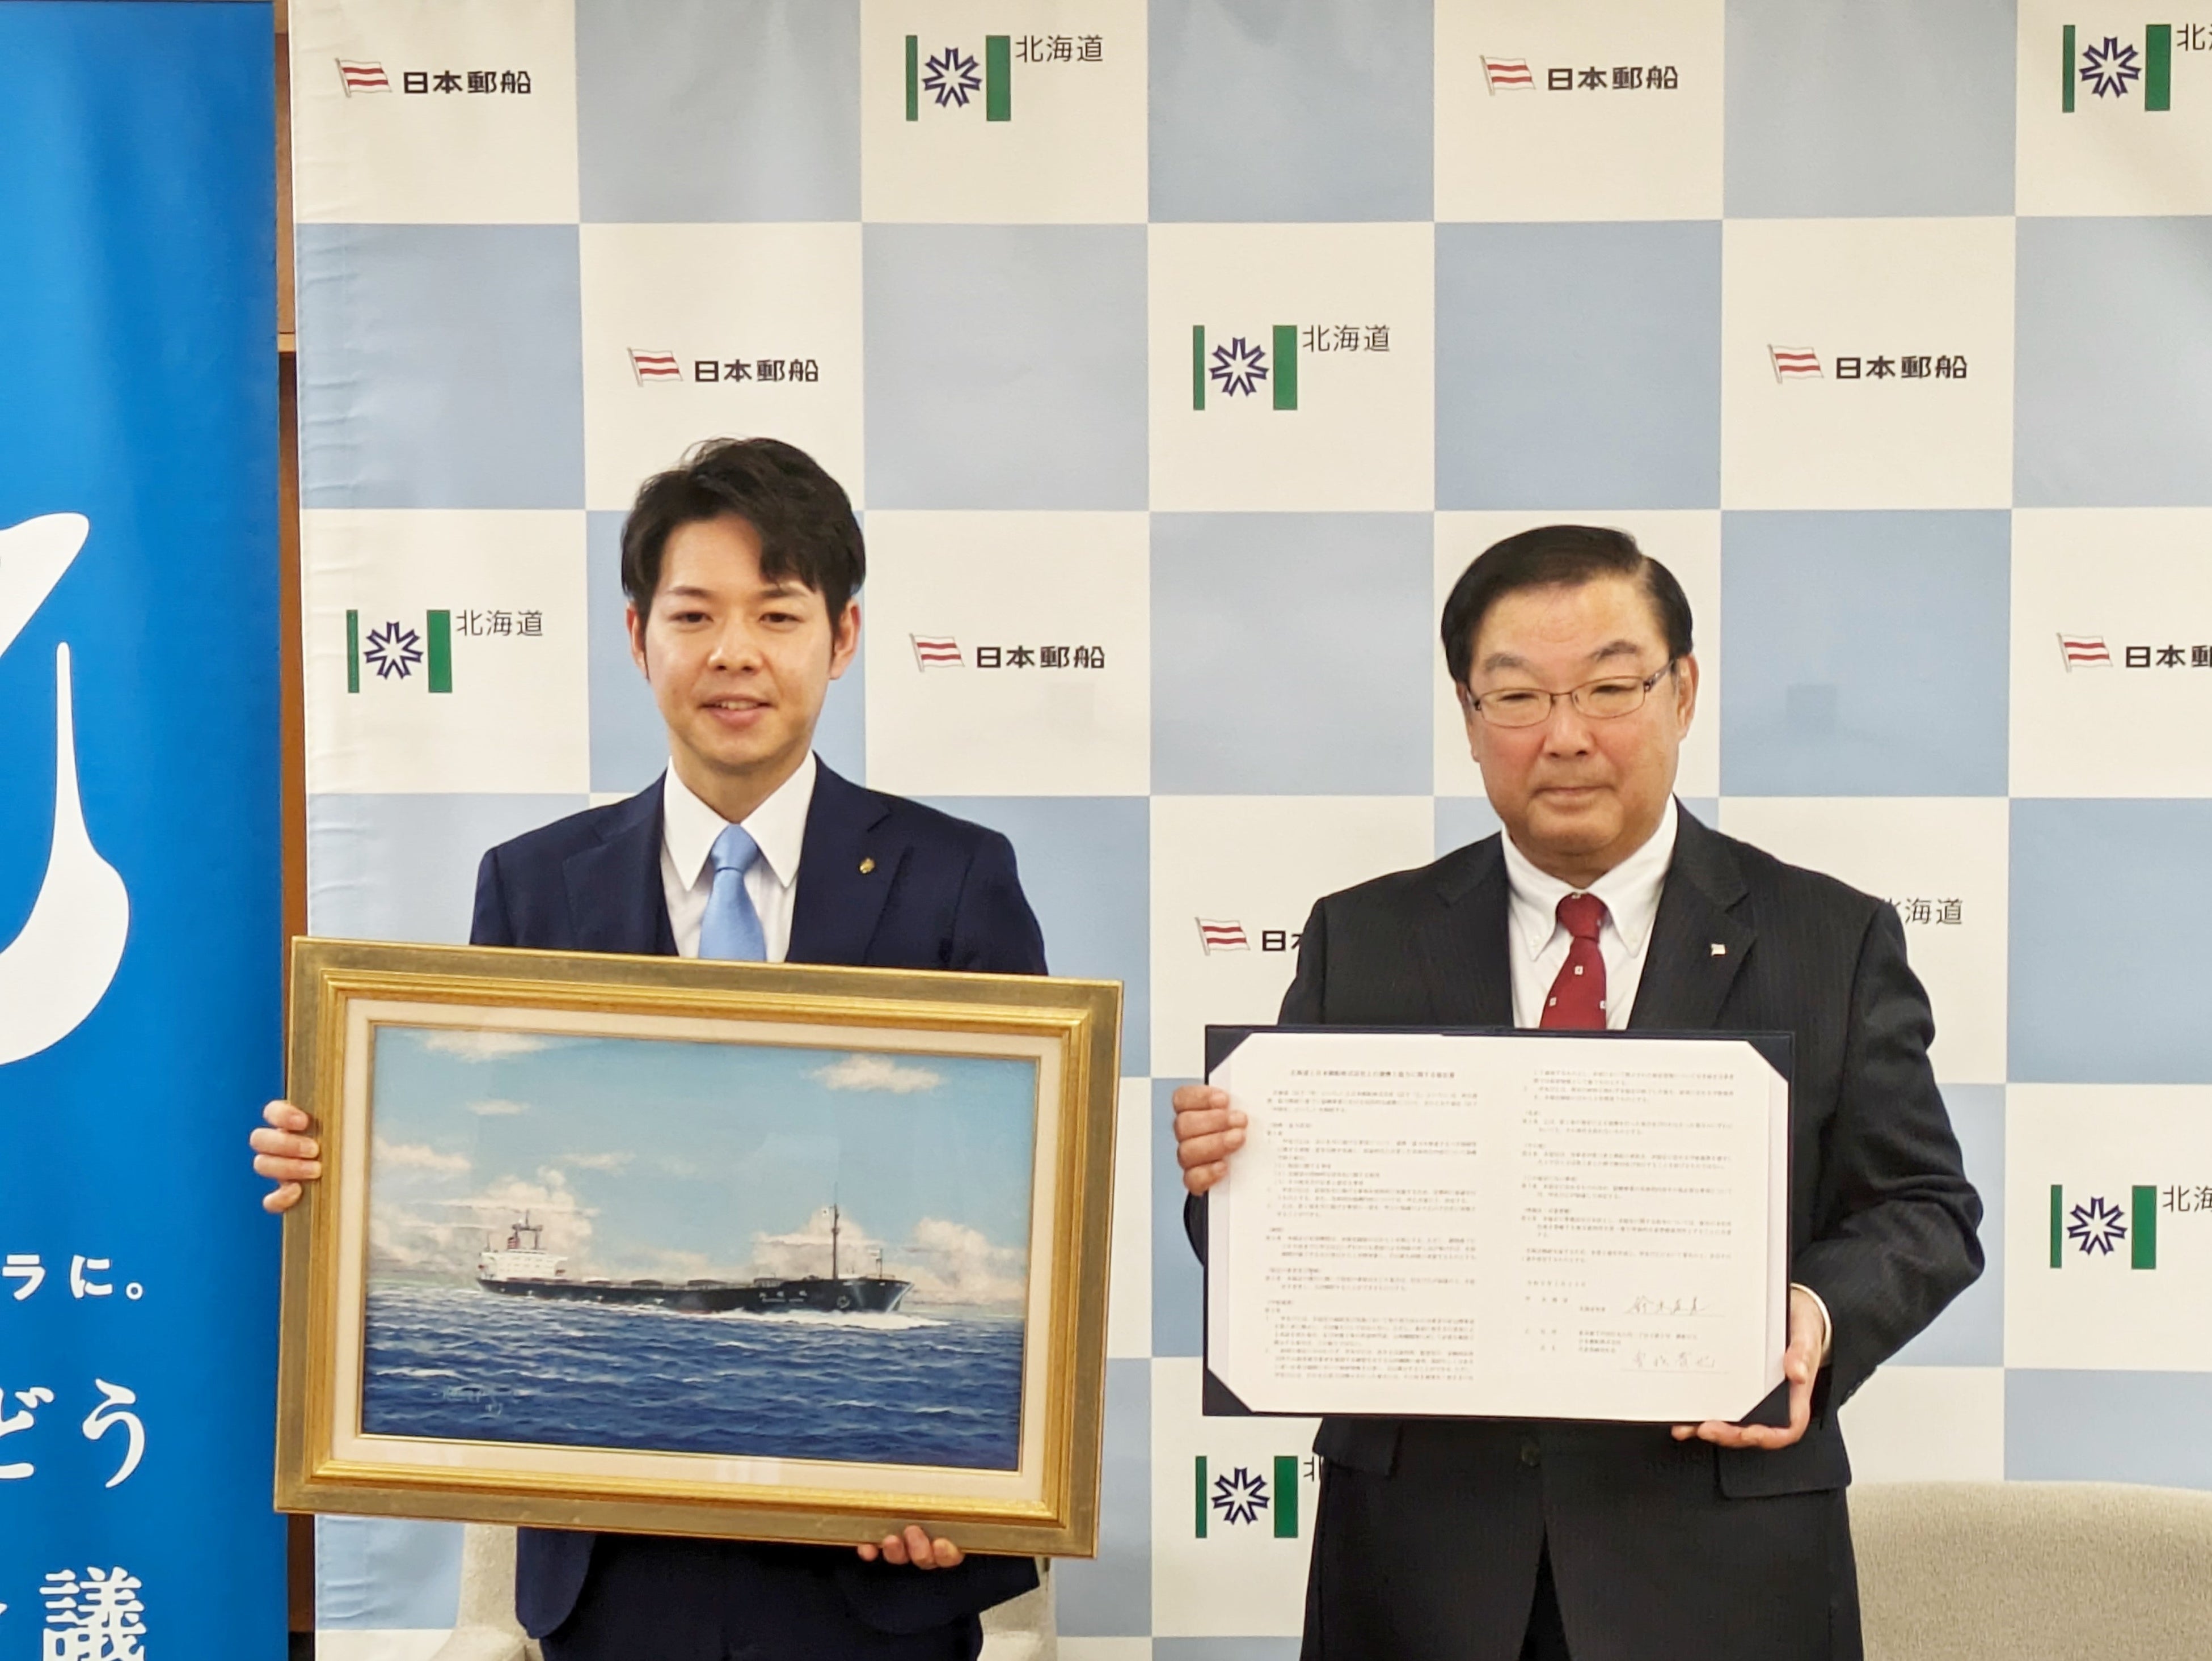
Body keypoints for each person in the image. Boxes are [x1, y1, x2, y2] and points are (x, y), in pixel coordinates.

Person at [253, 437, 1045, 1661]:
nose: (735, 651)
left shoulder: (955, 879)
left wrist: (975, 1486)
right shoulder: (531, 886)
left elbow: (1024, 1186)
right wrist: (346, 1167)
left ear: (841, 637)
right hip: (612, 1564)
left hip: (877, 1569)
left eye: (777, 613)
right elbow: (480, 1137)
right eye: (694, 614)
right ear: (637, 637)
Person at [1172, 525, 1982, 1661]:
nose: (1565, 735)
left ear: (1682, 691)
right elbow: (1270, 1246)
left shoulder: (1829, 938)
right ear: (1469, 716)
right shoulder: (1364, 936)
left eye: (1609, 687)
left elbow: (1926, 1209)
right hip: (1422, 1570)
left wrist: (1812, 1313)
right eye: (1517, 697)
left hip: (1722, 1565)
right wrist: (1232, 1181)